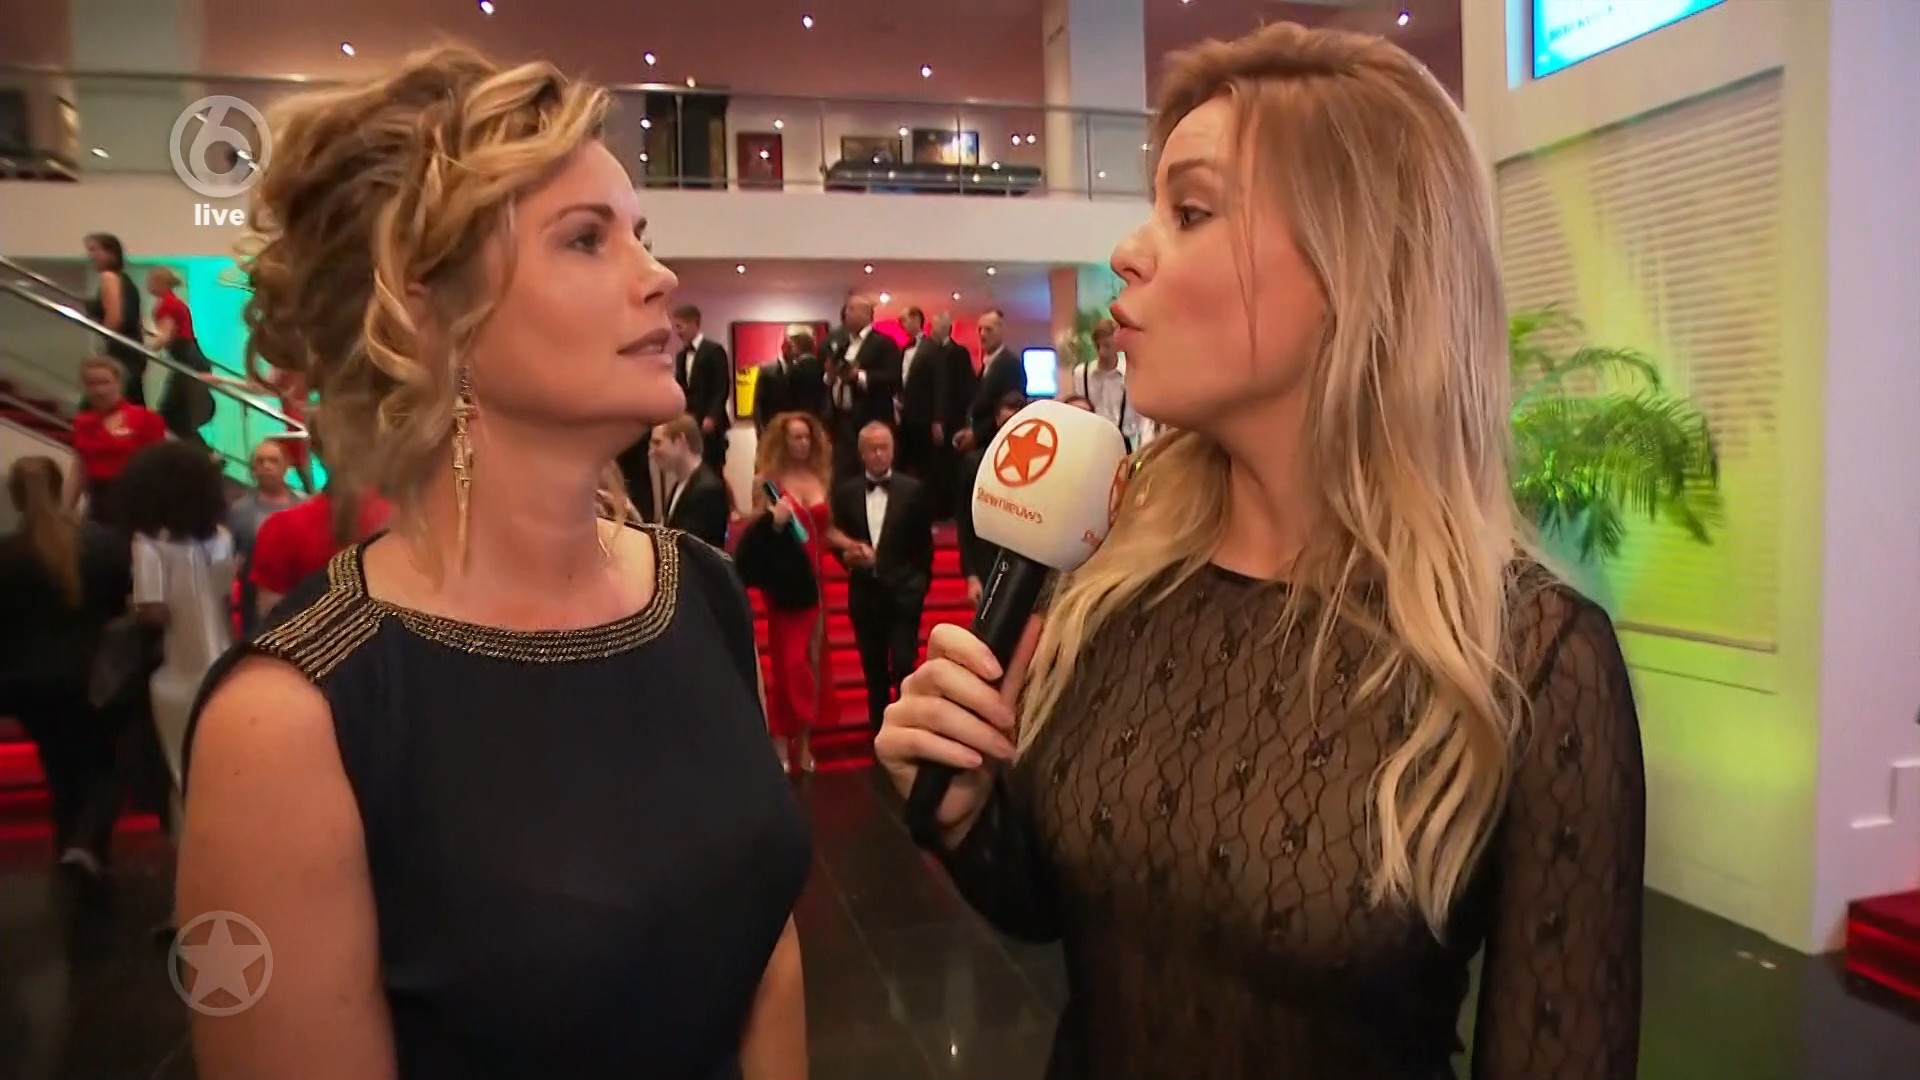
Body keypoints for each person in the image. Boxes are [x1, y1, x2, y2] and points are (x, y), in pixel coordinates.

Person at [876, 22, 1644, 1080]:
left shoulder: (1533, 659)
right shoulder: (1115, 582)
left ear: (1354, 268)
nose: (1128, 251)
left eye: (1190, 211)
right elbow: (1063, 908)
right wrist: (969, 819)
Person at [175, 45, 809, 1080]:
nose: (658, 276)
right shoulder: (291, 719)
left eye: (640, 235)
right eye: (587, 239)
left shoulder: (700, 588)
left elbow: (764, 948)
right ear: (429, 316)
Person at [0, 456, 132, 878]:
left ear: (15, 499)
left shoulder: (7, 554)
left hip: (26, 681)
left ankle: (72, 845)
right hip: (92, 675)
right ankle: (86, 844)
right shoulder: (103, 545)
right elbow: (124, 605)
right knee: (108, 762)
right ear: (62, 489)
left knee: (59, 766)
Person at [122, 440, 236, 839]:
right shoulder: (221, 538)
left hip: (177, 670)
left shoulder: (148, 544)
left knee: (182, 769)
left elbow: (153, 610)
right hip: (224, 663)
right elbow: (224, 596)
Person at [735, 411, 836, 773]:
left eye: (807, 437)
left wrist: (850, 546)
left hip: (816, 582)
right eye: (796, 437)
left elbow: (825, 531)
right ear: (782, 440)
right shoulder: (766, 482)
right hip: (785, 583)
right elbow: (755, 532)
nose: (803, 444)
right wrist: (773, 519)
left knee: (810, 663)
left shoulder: (821, 477)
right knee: (788, 663)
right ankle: (779, 738)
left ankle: (804, 741)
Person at [828, 421, 934, 736]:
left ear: (893, 450)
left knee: (903, 665)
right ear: (861, 453)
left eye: (883, 447)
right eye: (872, 449)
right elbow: (836, 538)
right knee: (873, 673)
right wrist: (847, 559)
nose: (878, 454)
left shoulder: (912, 490)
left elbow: (924, 547)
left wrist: (917, 588)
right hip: (865, 596)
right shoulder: (845, 493)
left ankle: (905, 730)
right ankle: (879, 736)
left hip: (903, 596)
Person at [66, 355, 167, 528]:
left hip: (136, 507)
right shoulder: (83, 423)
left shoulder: (146, 419)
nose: (99, 390)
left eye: (105, 383)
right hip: (97, 507)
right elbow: (79, 469)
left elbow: (160, 469)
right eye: (91, 384)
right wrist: (66, 510)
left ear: (118, 383)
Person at [954, 391, 1027, 607]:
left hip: (1026, 567)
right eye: (1006, 423)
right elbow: (965, 522)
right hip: (987, 564)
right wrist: (971, 575)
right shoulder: (974, 463)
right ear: (996, 421)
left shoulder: (1040, 468)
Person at [226, 439, 304, 636]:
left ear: (286, 466)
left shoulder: (304, 506)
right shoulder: (240, 511)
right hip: (255, 604)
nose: (266, 466)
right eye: (260, 461)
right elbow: (232, 560)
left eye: (273, 460)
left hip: (301, 597)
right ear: (253, 468)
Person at [144, 266, 217, 444]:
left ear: (159, 282)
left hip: (187, 361)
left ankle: (203, 453)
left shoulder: (167, 305)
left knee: (175, 414)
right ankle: (202, 452)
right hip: (191, 358)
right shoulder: (174, 302)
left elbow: (165, 335)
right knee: (180, 415)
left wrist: (143, 349)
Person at [649, 412, 731, 549]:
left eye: (658, 443)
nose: (651, 452)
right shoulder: (681, 484)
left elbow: (691, 548)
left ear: (680, 441)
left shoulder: (708, 490)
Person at [83, 232, 146, 404]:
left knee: (113, 400)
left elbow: (115, 317)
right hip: (132, 348)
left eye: (94, 250)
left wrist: (102, 347)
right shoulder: (125, 280)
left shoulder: (109, 277)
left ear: (110, 253)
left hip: (120, 350)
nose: (90, 255)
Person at [670, 303, 733, 474]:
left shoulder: (714, 350)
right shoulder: (681, 356)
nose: (677, 332)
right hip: (690, 423)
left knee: (713, 469)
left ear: (693, 323)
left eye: (679, 326)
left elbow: (722, 386)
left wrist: (712, 416)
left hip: (711, 425)